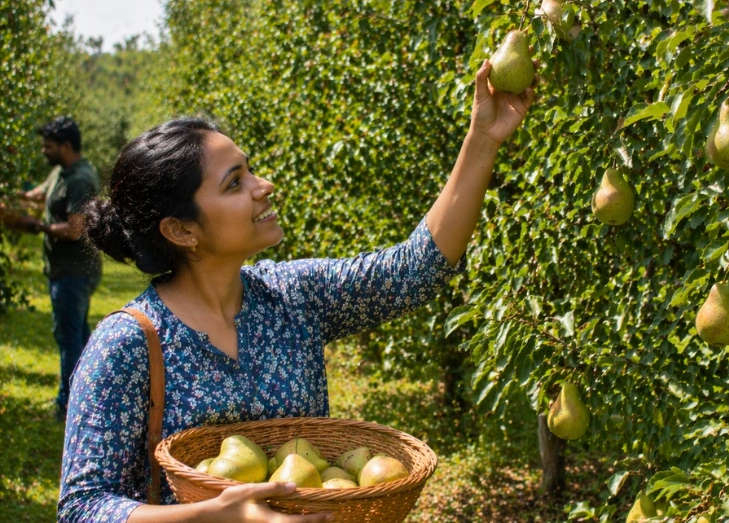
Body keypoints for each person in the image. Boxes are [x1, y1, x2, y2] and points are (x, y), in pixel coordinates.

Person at [58, 60, 534, 522]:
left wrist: (483, 139)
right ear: (181, 230)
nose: (264, 186)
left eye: (251, 169)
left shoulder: (292, 297)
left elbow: (416, 270)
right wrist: (207, 516)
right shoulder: (128, 346)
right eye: (235, 182)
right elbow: (82, 507)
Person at [16, 116, 102, 422]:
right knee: (76, 335)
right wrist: (16, 198)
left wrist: (37, 225)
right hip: (68, 271)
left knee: (68, 339)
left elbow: (76, 229)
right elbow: (39, 193)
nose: (43, 151)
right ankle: (88, 394)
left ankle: (68, 406)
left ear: (66, 146)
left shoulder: (79, 179)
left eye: (48, 146)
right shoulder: (62, 172)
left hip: (73, 273)